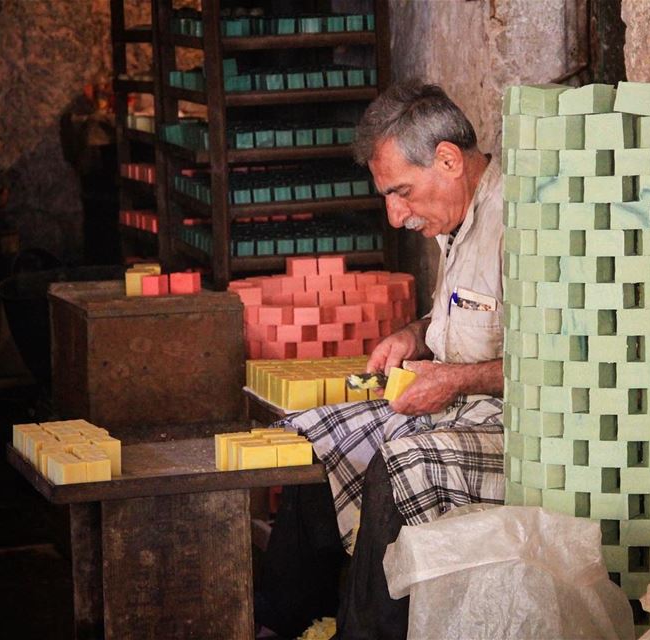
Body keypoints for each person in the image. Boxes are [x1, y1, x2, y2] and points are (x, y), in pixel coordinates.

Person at [258, 81, 506, 640]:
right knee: (311, 439)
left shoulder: (522, 222)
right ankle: (286, 621)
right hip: (454, 401)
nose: (396, 217)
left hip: (512, 424)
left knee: (397, 465)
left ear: (447, 159)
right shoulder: (457, 212)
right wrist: (416, 336)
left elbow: (554, 367)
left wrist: (454, 379)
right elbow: (469, 314)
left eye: (402, 193)